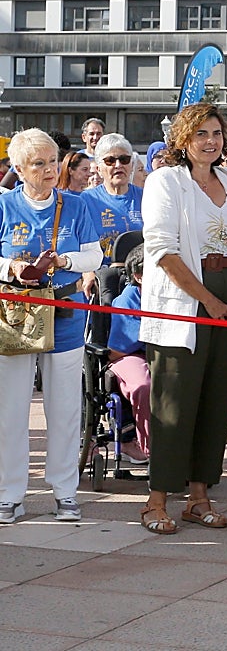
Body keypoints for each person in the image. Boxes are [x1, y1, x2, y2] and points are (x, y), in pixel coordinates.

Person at [137, 103, 227, 534]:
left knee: (216, 400)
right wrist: (206, 300)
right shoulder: (166, 181)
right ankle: (156, 500)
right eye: (201, 133)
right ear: (183, 139)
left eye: (217, 133)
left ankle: (199, 497)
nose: (211, 141)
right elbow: (162, 250)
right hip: (185, 302)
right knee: (174, 404)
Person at [0, 128, 102, 525]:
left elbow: (94, 255)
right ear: (20, 169)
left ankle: (64, 492)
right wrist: (12, 268)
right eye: (38, 163)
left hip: (65, 313)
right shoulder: (5, 205)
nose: (48, 169)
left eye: (53, 161)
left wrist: (63, 262)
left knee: (64, 409)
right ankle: (10, 494)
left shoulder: (75, 205)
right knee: (11, 409)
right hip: (17, 317)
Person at [107, 244, 151, 464]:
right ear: (139, 276)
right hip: (127, 354)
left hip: (163, 351)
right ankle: (148, 447)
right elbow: (116, 350)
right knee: (144, 385)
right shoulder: (129, 299)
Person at [80, 134, 143, 265]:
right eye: (110, 161)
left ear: (131, 165)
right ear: (98, 169)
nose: (118, 165)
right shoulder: (86, 200)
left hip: (141, 275)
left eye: (124, 159)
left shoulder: (146, 197)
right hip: (102, 276)